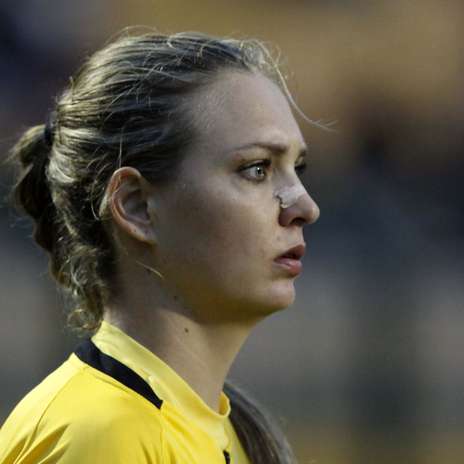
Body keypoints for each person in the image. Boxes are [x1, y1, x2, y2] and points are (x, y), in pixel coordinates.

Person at [0, 30, 320, 464]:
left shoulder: (231, 433)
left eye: (296, 167)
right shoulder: (103, 435)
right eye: (257, 168)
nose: (304, 206)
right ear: (136, 207)